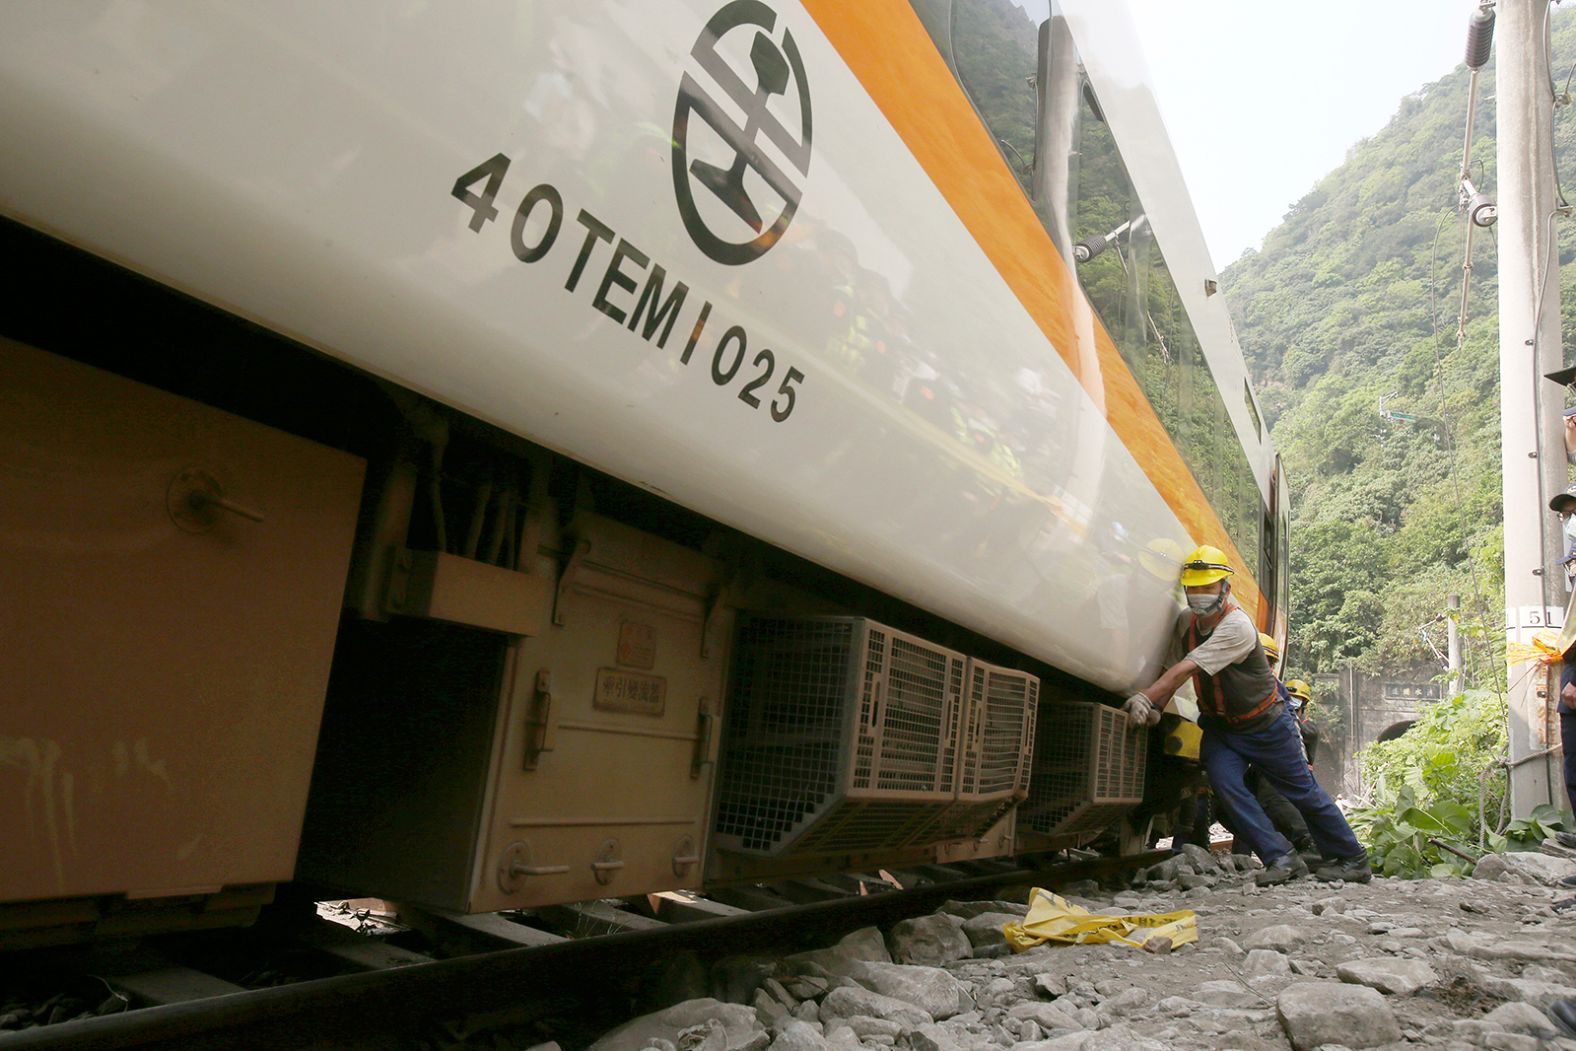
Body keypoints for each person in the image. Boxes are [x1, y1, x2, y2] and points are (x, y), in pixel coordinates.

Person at [1122, 545, 1371, 884]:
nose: (1199, 595)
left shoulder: (1237, 626)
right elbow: (1168, 667)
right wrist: (1154, 706)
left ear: (1225, 587)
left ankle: (1352, 857)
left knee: (1302, 792)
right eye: (1193, 588)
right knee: (1226, 786)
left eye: (1207, 587)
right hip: (1222, 729)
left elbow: (1185, 668)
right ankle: (1280, 857)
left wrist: (1146, 697)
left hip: (1267, 725)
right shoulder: (1186, 623)